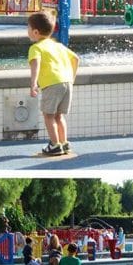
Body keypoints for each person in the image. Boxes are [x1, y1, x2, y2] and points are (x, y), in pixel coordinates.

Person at [27, 10, 80, 156]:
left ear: (36, 32)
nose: (28, 31)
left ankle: (55, 145)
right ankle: (64, 143)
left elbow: (35, 65)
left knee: (48, 115)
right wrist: (72, 78)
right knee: (59, 116)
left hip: (52, 84)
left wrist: (33, 85)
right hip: (67, 82)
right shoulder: (58, 45)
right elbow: (76, 58)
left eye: (29, 28)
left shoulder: (35, 48)